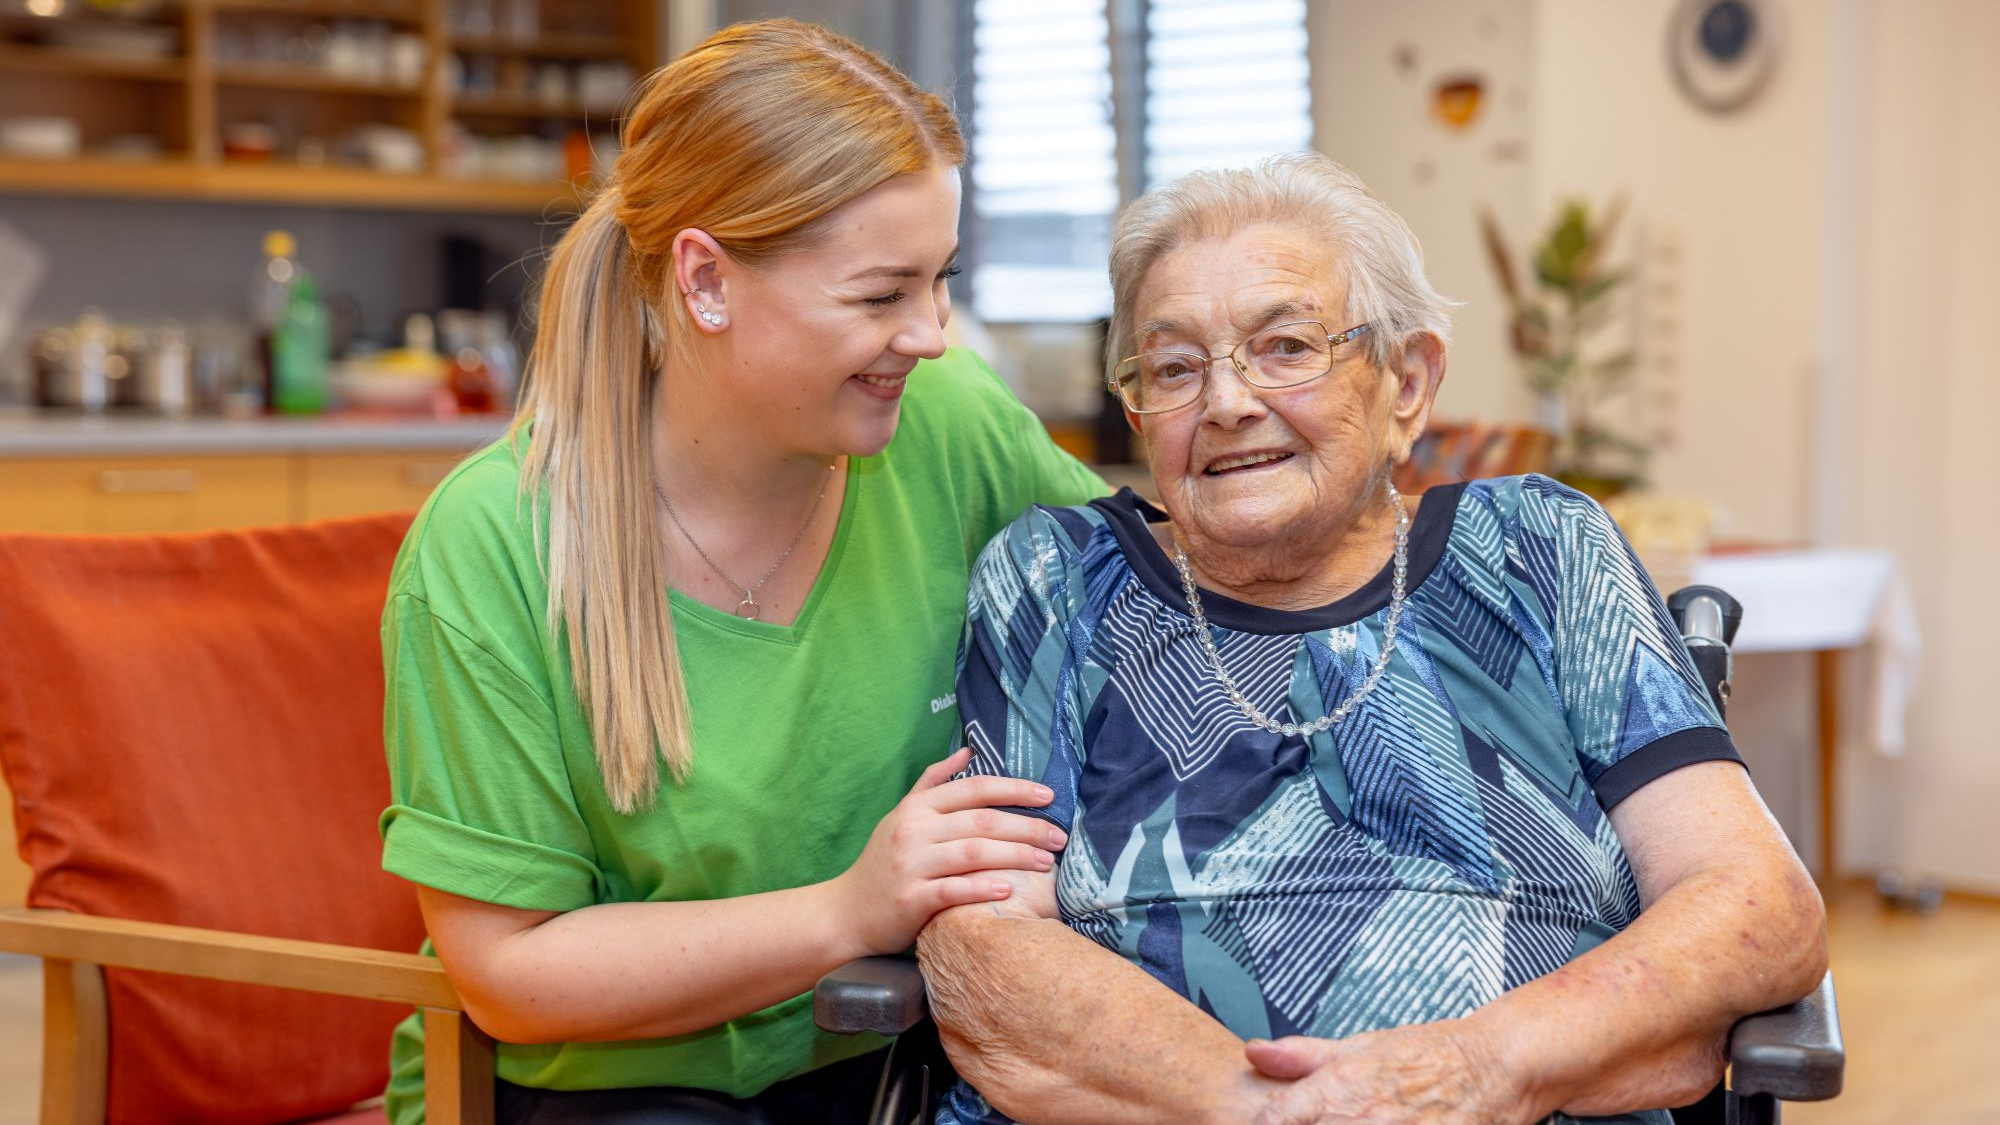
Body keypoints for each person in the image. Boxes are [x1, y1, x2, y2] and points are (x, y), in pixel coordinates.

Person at [917, 153, 1828, 1125]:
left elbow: (1752, 904)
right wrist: (1272, 1110)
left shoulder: (1538, 549)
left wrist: (1472, 1072)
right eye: (1175, 366)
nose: (1224, 403)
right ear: (1138, 408)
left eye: (1283, 348)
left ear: (1406, 382)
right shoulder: (1056, 580)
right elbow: (983, 955)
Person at [376, 19, 1104, 1125]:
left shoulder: (946, 427)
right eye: (880, 295)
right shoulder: (492, 546)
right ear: (706, 281)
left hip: (888, 1055)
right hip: (598, 1087)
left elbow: (1144, 603)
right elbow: (510, 977)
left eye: (939, 280)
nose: (932, 335)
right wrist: (850, 910)